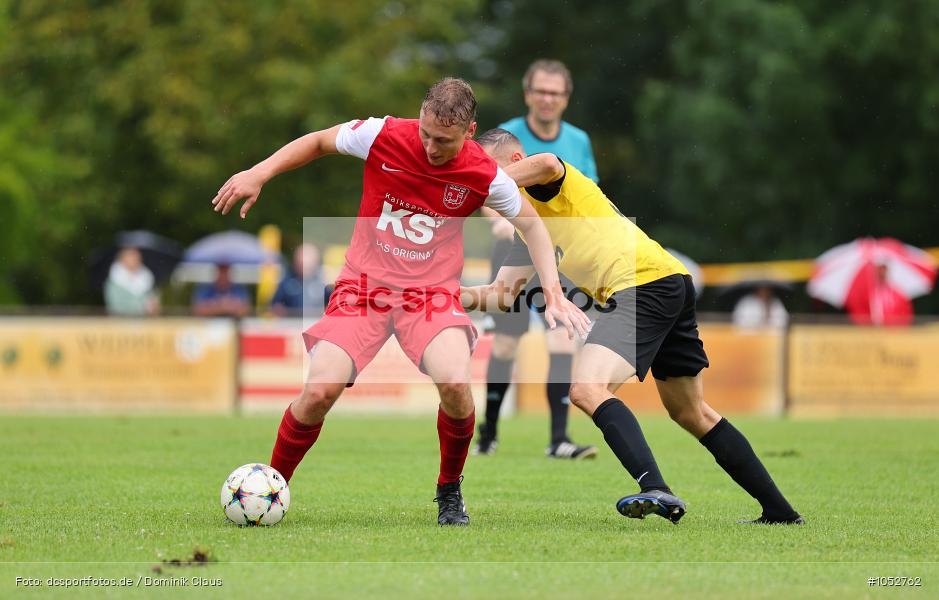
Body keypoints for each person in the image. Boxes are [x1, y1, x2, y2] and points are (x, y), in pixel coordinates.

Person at [211, 78, 589, 526]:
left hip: (430, 296)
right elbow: (317, 142)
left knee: (454, 384)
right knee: (317, 393)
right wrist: (259, 173)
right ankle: (273, 486)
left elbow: (535, 228)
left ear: (469, 132)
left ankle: (449, 490)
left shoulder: (485, 175)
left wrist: (553, 293)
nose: (430, 146)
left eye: (443, 140)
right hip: (363, 289)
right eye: (426, 133)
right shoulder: (383, 134)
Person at [464, 128, 803, 525]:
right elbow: (500, 295)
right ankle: (780, 512)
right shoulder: (529, 229)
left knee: (587, 388)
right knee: (691, 412)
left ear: (516, 162)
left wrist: (466, 181)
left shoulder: (548, 181)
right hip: (667, 282)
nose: (477, 175)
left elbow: (548, 163)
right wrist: (429, 292)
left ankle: (655, 489)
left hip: (643, 284)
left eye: (485, 166)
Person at [475, 59, 600, 460]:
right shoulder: (506, 135)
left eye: (556, 93)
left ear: (566, 99)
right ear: (528, 94)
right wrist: (499, 220)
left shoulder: (578, 140)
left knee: (563, 338)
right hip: (513, 247)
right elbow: (485, 189)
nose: (548, 99)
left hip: (561, 254)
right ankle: (488, 436)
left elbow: (587, 196)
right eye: (541, 91)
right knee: (507, 345)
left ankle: (559, 440)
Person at [270, 242, 328, 317]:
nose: (304, 268)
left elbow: (334, 303)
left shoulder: (323, 282)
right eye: (301, 265)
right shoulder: (287, 282)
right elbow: (276, 305)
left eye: (308, 266)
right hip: (293, 324)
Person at [104, 247, 160, 316]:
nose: (135, 259)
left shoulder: (147, 277)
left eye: (137, 256)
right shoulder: (114, 281)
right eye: (131, 255)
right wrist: (142, 308)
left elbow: (154, 297)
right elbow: (115, 307)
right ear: (122, 259)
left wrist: (154, 305)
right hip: (120, 324)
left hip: (145, 324)